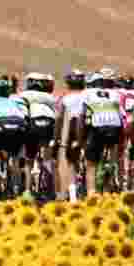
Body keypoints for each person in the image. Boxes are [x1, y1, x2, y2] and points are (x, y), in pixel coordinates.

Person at [81, 70, 124, 196]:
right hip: (115, 127)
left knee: (91, 163)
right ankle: (108, 189)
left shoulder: (87, 93)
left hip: (98, 128)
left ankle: (91, 193)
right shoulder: (114, 93)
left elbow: (82, 114)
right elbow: (121, 116)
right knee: (111, 161)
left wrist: (82, 138)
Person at [17, 72, 57, 197]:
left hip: (33, 124)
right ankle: (50, 189)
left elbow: (21, 113)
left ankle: (28, 190)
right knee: (47, 159)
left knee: (29, 161)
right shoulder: (50, 97)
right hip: (49, 124)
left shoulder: (23, 95)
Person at [54, 69, 87, 200]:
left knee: (70, 162)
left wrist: (56, 138)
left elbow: (59, 118)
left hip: (72, 130)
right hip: (89, 129)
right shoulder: (87, 96)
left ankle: (73, 196)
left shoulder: (65, 99)